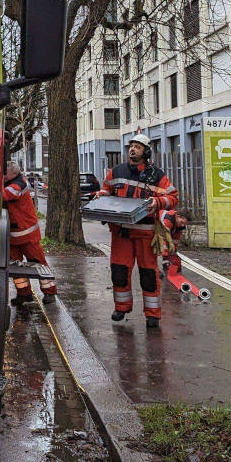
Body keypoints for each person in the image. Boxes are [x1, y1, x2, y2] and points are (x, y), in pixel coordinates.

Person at [93, 135, 178, 329]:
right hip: (121, 233)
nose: (133, 149)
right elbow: (107, 190)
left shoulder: (157, 175)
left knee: (149, 274)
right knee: (119, 272)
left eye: (137, 147)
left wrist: (157, 202)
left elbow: (173, 197)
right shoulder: (116, 171)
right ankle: (121, 307)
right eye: (131, 146)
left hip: (145, 233)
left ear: (146, 152)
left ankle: (152, 315)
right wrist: (102, 195)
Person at [2, 161, 58, 306]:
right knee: (16, 267)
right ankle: (24, 294)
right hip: (13, 234)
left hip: (26, 233)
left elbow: (7, 195)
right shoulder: (11, 182)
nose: (2, 176)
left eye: (5, 173)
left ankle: (50, 292)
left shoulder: (19, 184)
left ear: (13, 173)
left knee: (38, 263)